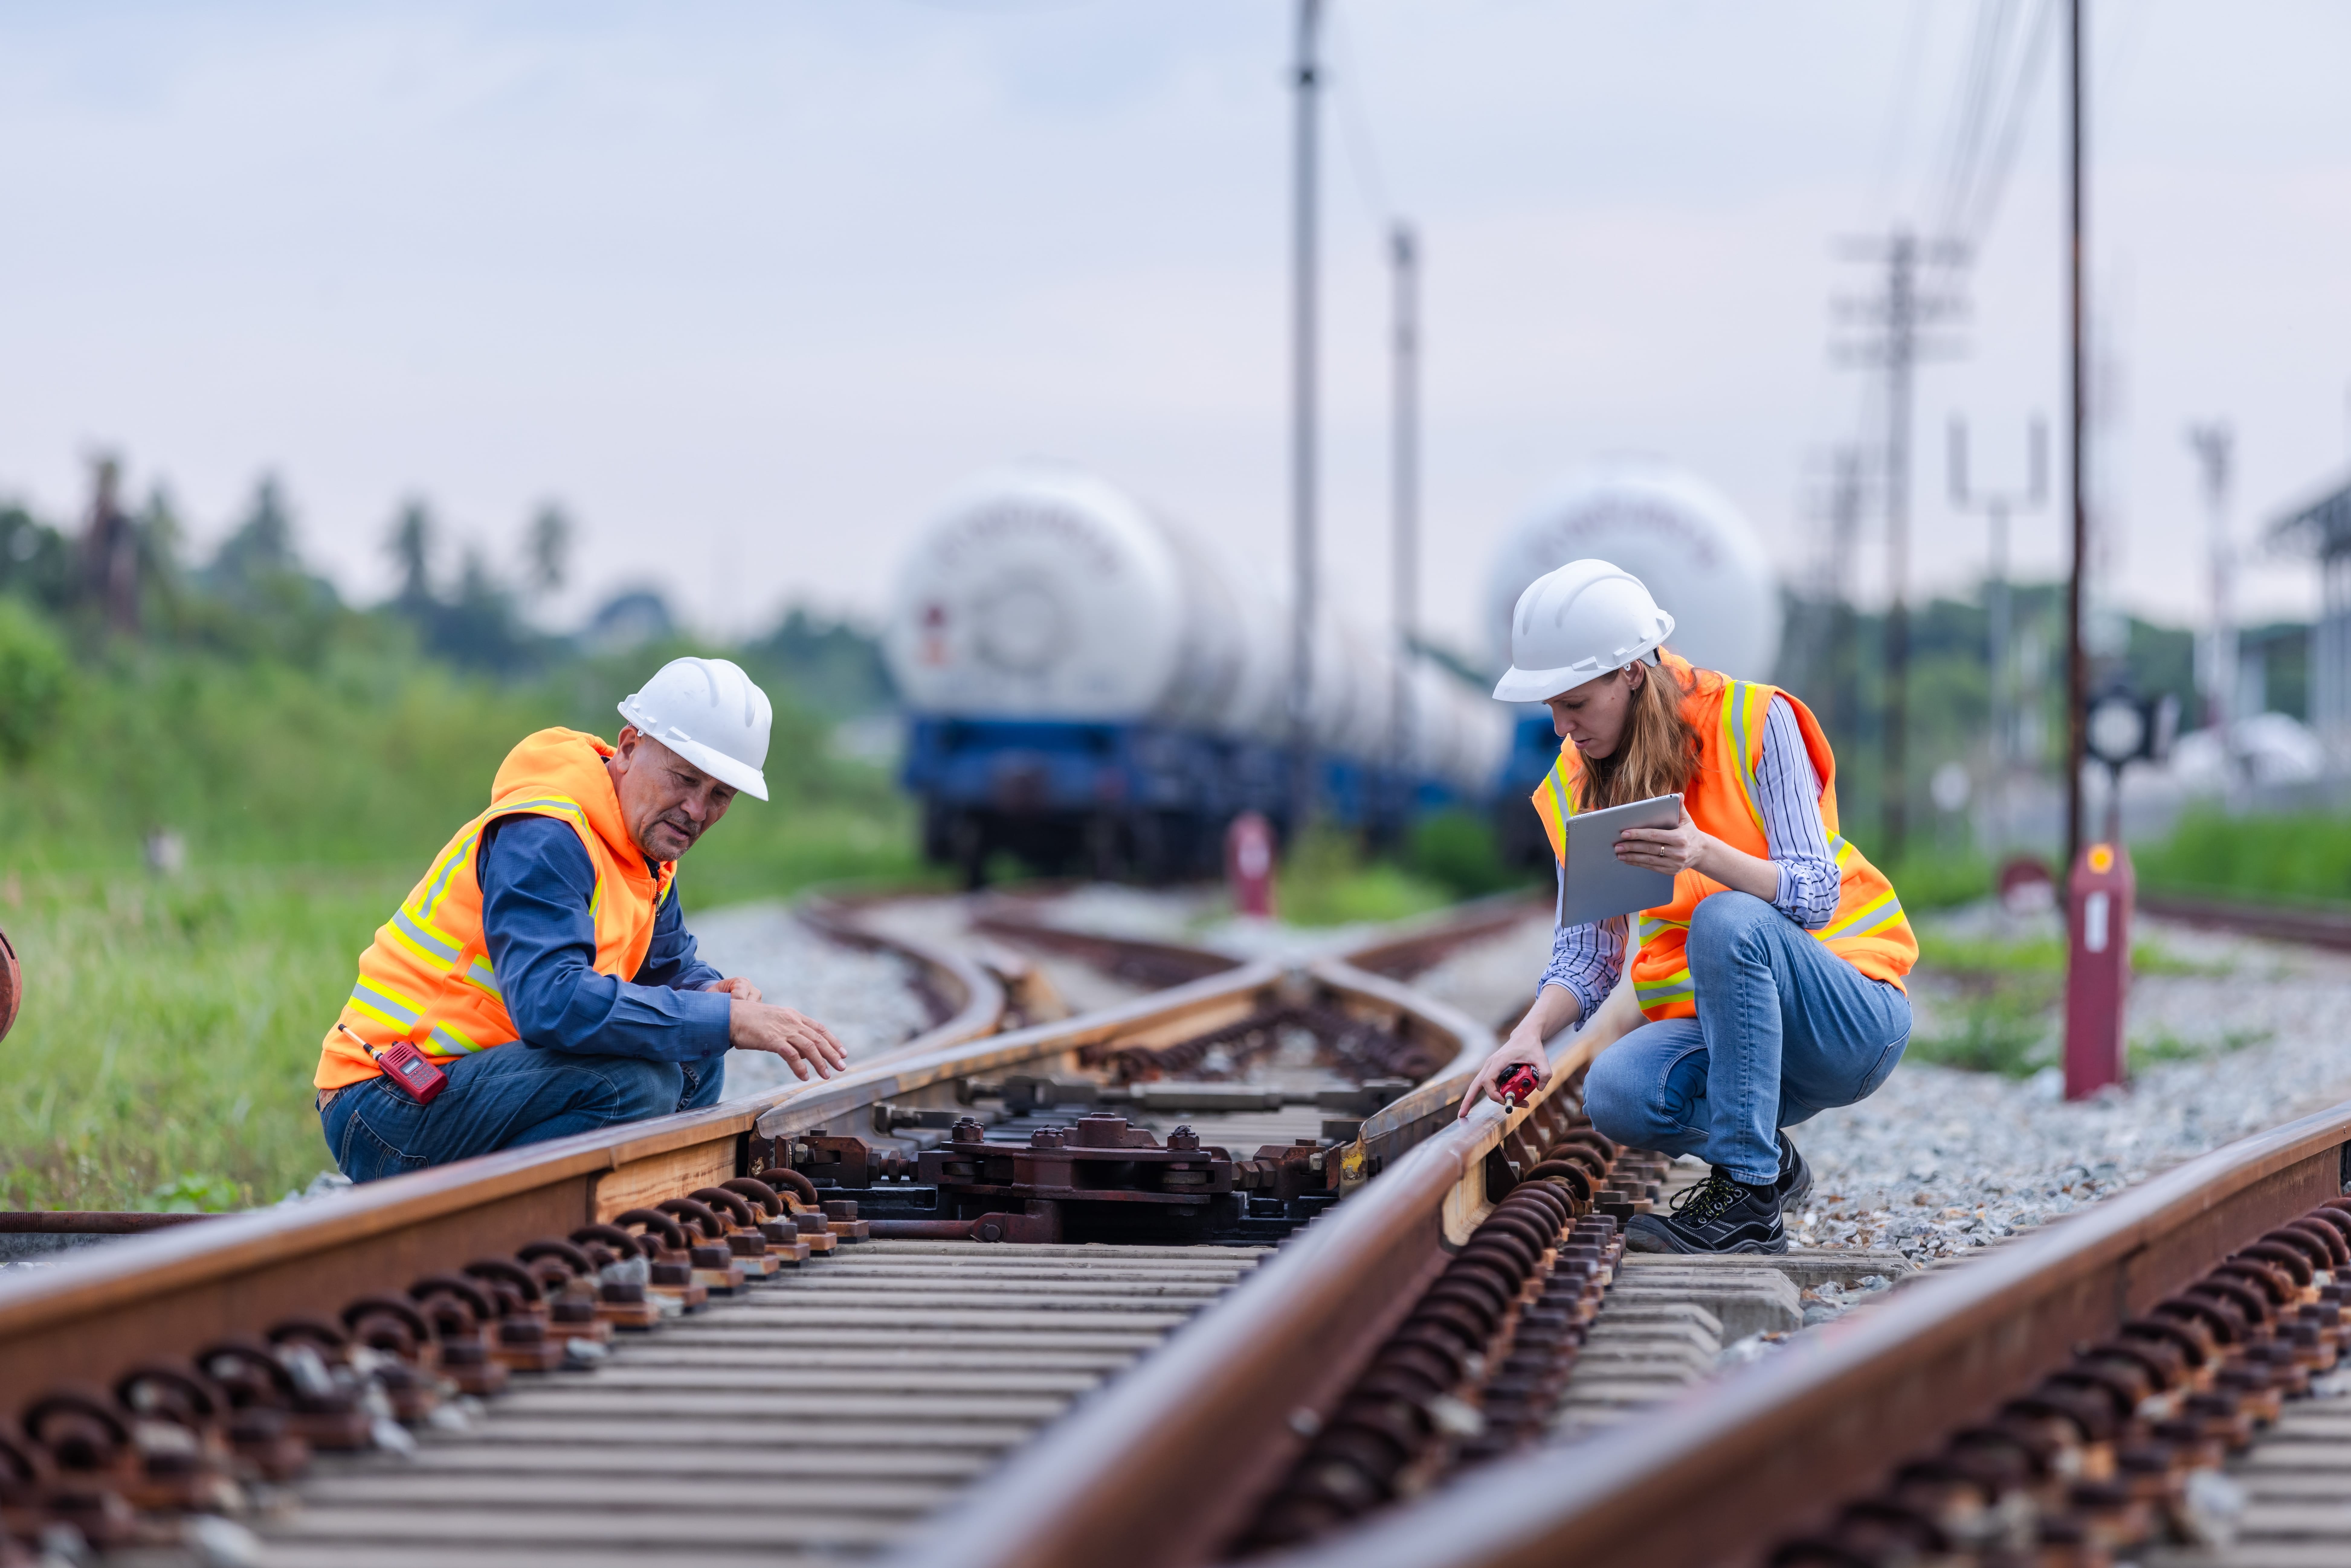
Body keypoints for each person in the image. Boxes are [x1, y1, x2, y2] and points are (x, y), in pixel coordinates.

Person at [1460, 561, 1915, 1255]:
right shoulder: (1578, 783)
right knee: (1617, 1089)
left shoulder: (1756, 720)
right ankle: (1770, 1162)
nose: (1563, 726)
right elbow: (1589, 955)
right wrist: (1530, 1034)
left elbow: (1817, 894)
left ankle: (1748, 1199)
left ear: (1632, 674)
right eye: (1550, 706)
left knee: (1725, 919)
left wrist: (1704, 855)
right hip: (1740, 1038)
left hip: (1848, 1014)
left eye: (1576, 702)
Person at [315, 656, 848, 1181]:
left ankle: (627, 1211)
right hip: (388, 1099)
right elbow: (550, 1003)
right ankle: (518, 1228)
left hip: (473, 1082)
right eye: (684, 779)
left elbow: (667, 966)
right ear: (629, 747)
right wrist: (724, 1021)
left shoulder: (646, 851)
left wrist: (715, 995)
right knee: (634, 1085)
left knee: (697, 1053)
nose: (695, 810)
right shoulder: (547, 834)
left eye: (719, 796)